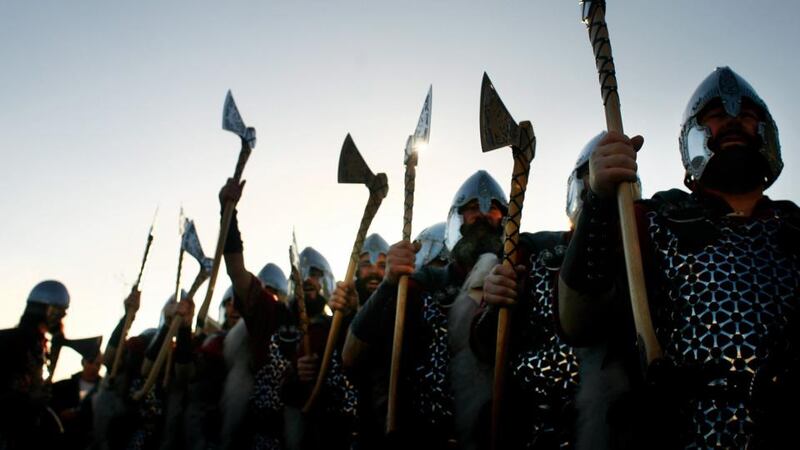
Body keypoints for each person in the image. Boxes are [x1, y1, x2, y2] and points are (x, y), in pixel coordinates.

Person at [558, 66, 799, 448]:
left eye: (747, 116)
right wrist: (600, 202)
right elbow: (579, 321)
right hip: (685, 432)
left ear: (766, 133)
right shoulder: (654, 220)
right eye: (717, 115)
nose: (734, 121)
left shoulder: (796, 227)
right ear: (696, 136)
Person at [344, 170, 508, 449]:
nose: (482, 214)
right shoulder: (424, 284)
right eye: (471, 208)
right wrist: (389, 283)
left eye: (492, 208)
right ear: (457, 219)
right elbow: (352, 356)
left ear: (505, 219)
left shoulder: (519, 277)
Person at [218, 177, 355, 449]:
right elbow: (236, 271)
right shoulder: (270, 312)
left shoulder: (335, 328)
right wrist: (228, 214)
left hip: (317, 435)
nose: (309, 280)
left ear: (327, 281)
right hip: (261, 435)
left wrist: (353, 312)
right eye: (303, 274)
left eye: (316, 275)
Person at [329, 233, 389, 449]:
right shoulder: (337, 318)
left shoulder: (398, 316)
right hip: (339, 430)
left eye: (383, 265)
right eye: (366, 264)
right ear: (355, 272)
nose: (374, 271)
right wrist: (343, 316)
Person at [0, 280, 70, 449]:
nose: (62, 317)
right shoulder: (9, 341)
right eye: (59, 312)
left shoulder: (40, 346)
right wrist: (27, 399)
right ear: (46, 310)